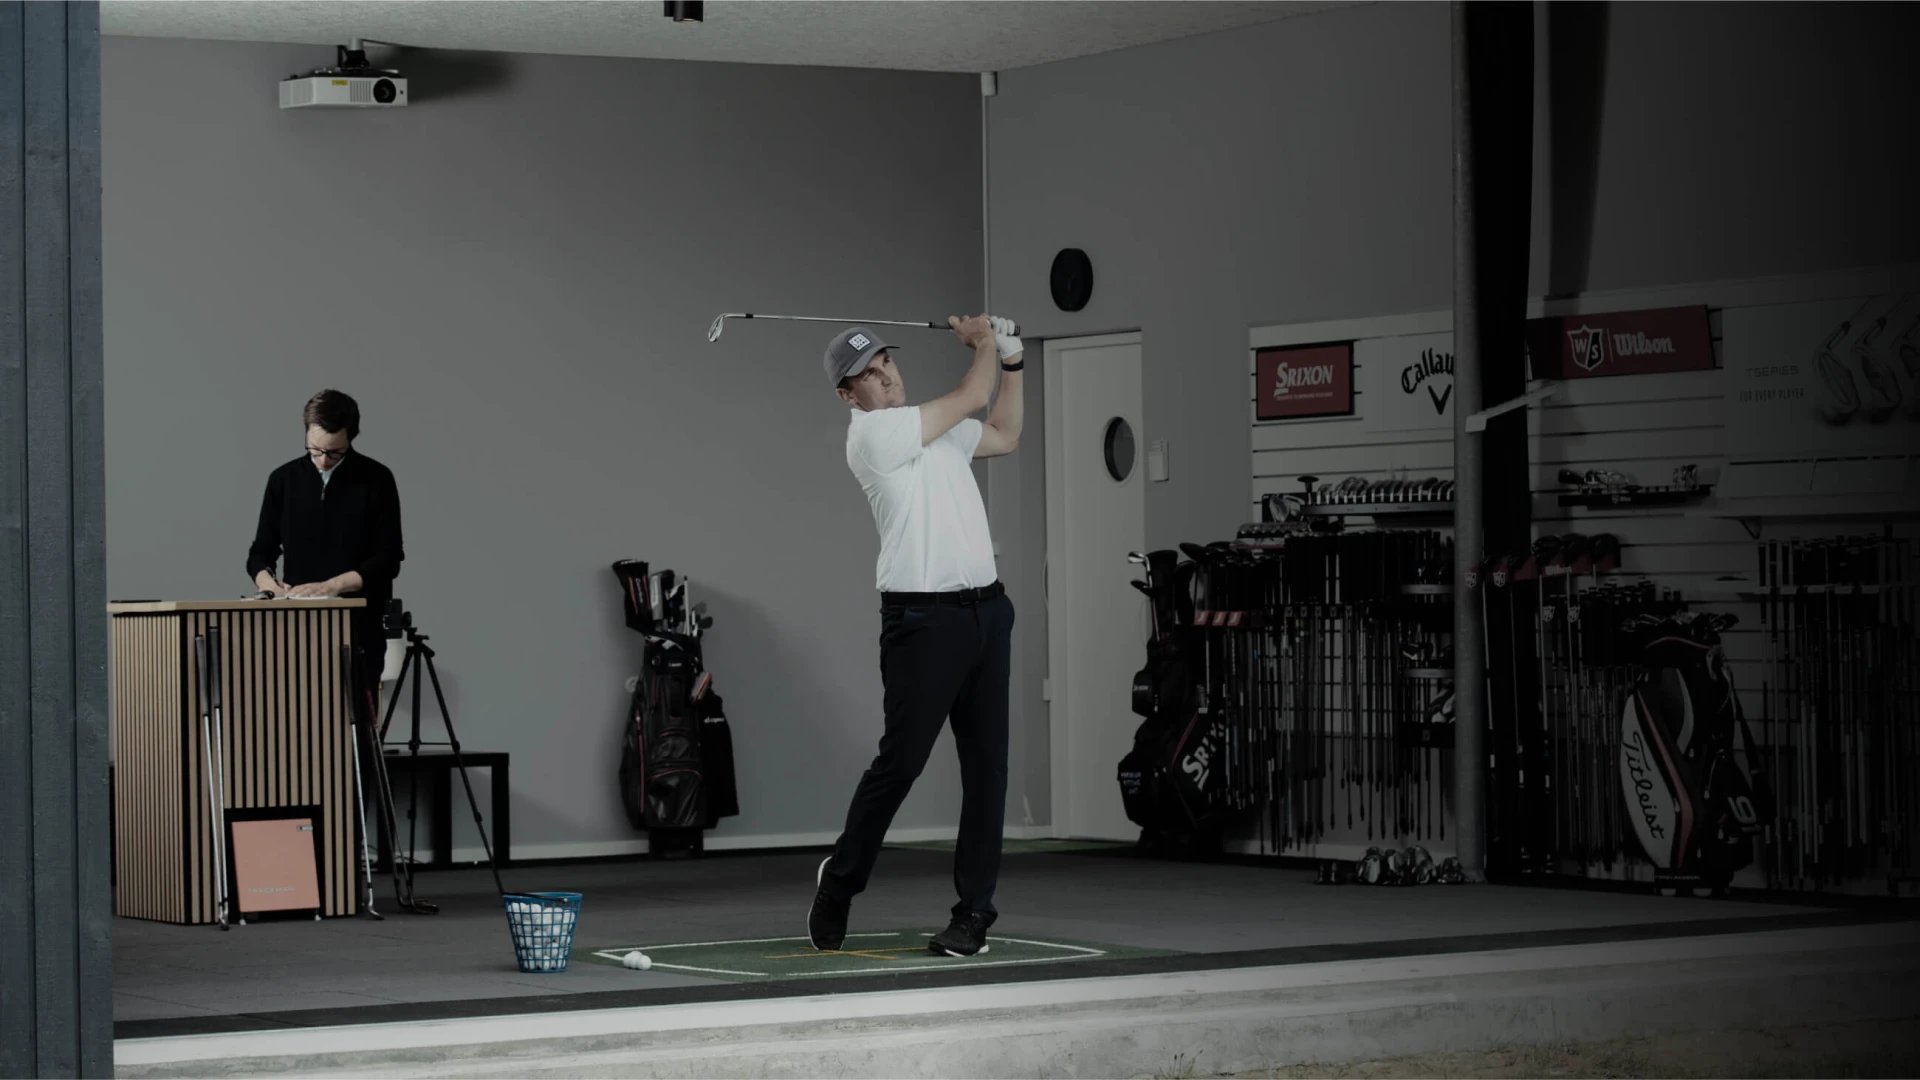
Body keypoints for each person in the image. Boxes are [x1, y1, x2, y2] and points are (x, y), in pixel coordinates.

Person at [810, 313, 1025, 958]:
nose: (885, 378)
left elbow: (1006, 433)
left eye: (886, 364)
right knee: (900, 763)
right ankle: (840, 882)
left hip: (987, 611)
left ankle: (974, 915)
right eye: (867, 377)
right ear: (849, 396)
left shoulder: (936, 431)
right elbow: (968, 395)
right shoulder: (875, 437)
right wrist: (986, 343)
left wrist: (1011, 361)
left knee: (986, 768)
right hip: (922, 621)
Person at [245, 388, 405, 721]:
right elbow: (260, 552)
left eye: (334, 453)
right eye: (314, 449)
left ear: (351, 439)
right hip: (295, 628)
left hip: (358, 628)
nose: (321, 460)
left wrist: (330, 588)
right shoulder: (283, 480)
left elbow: (389, 558)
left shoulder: (376, 479)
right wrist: (271, 586)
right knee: (294, 728)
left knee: (353, 734)